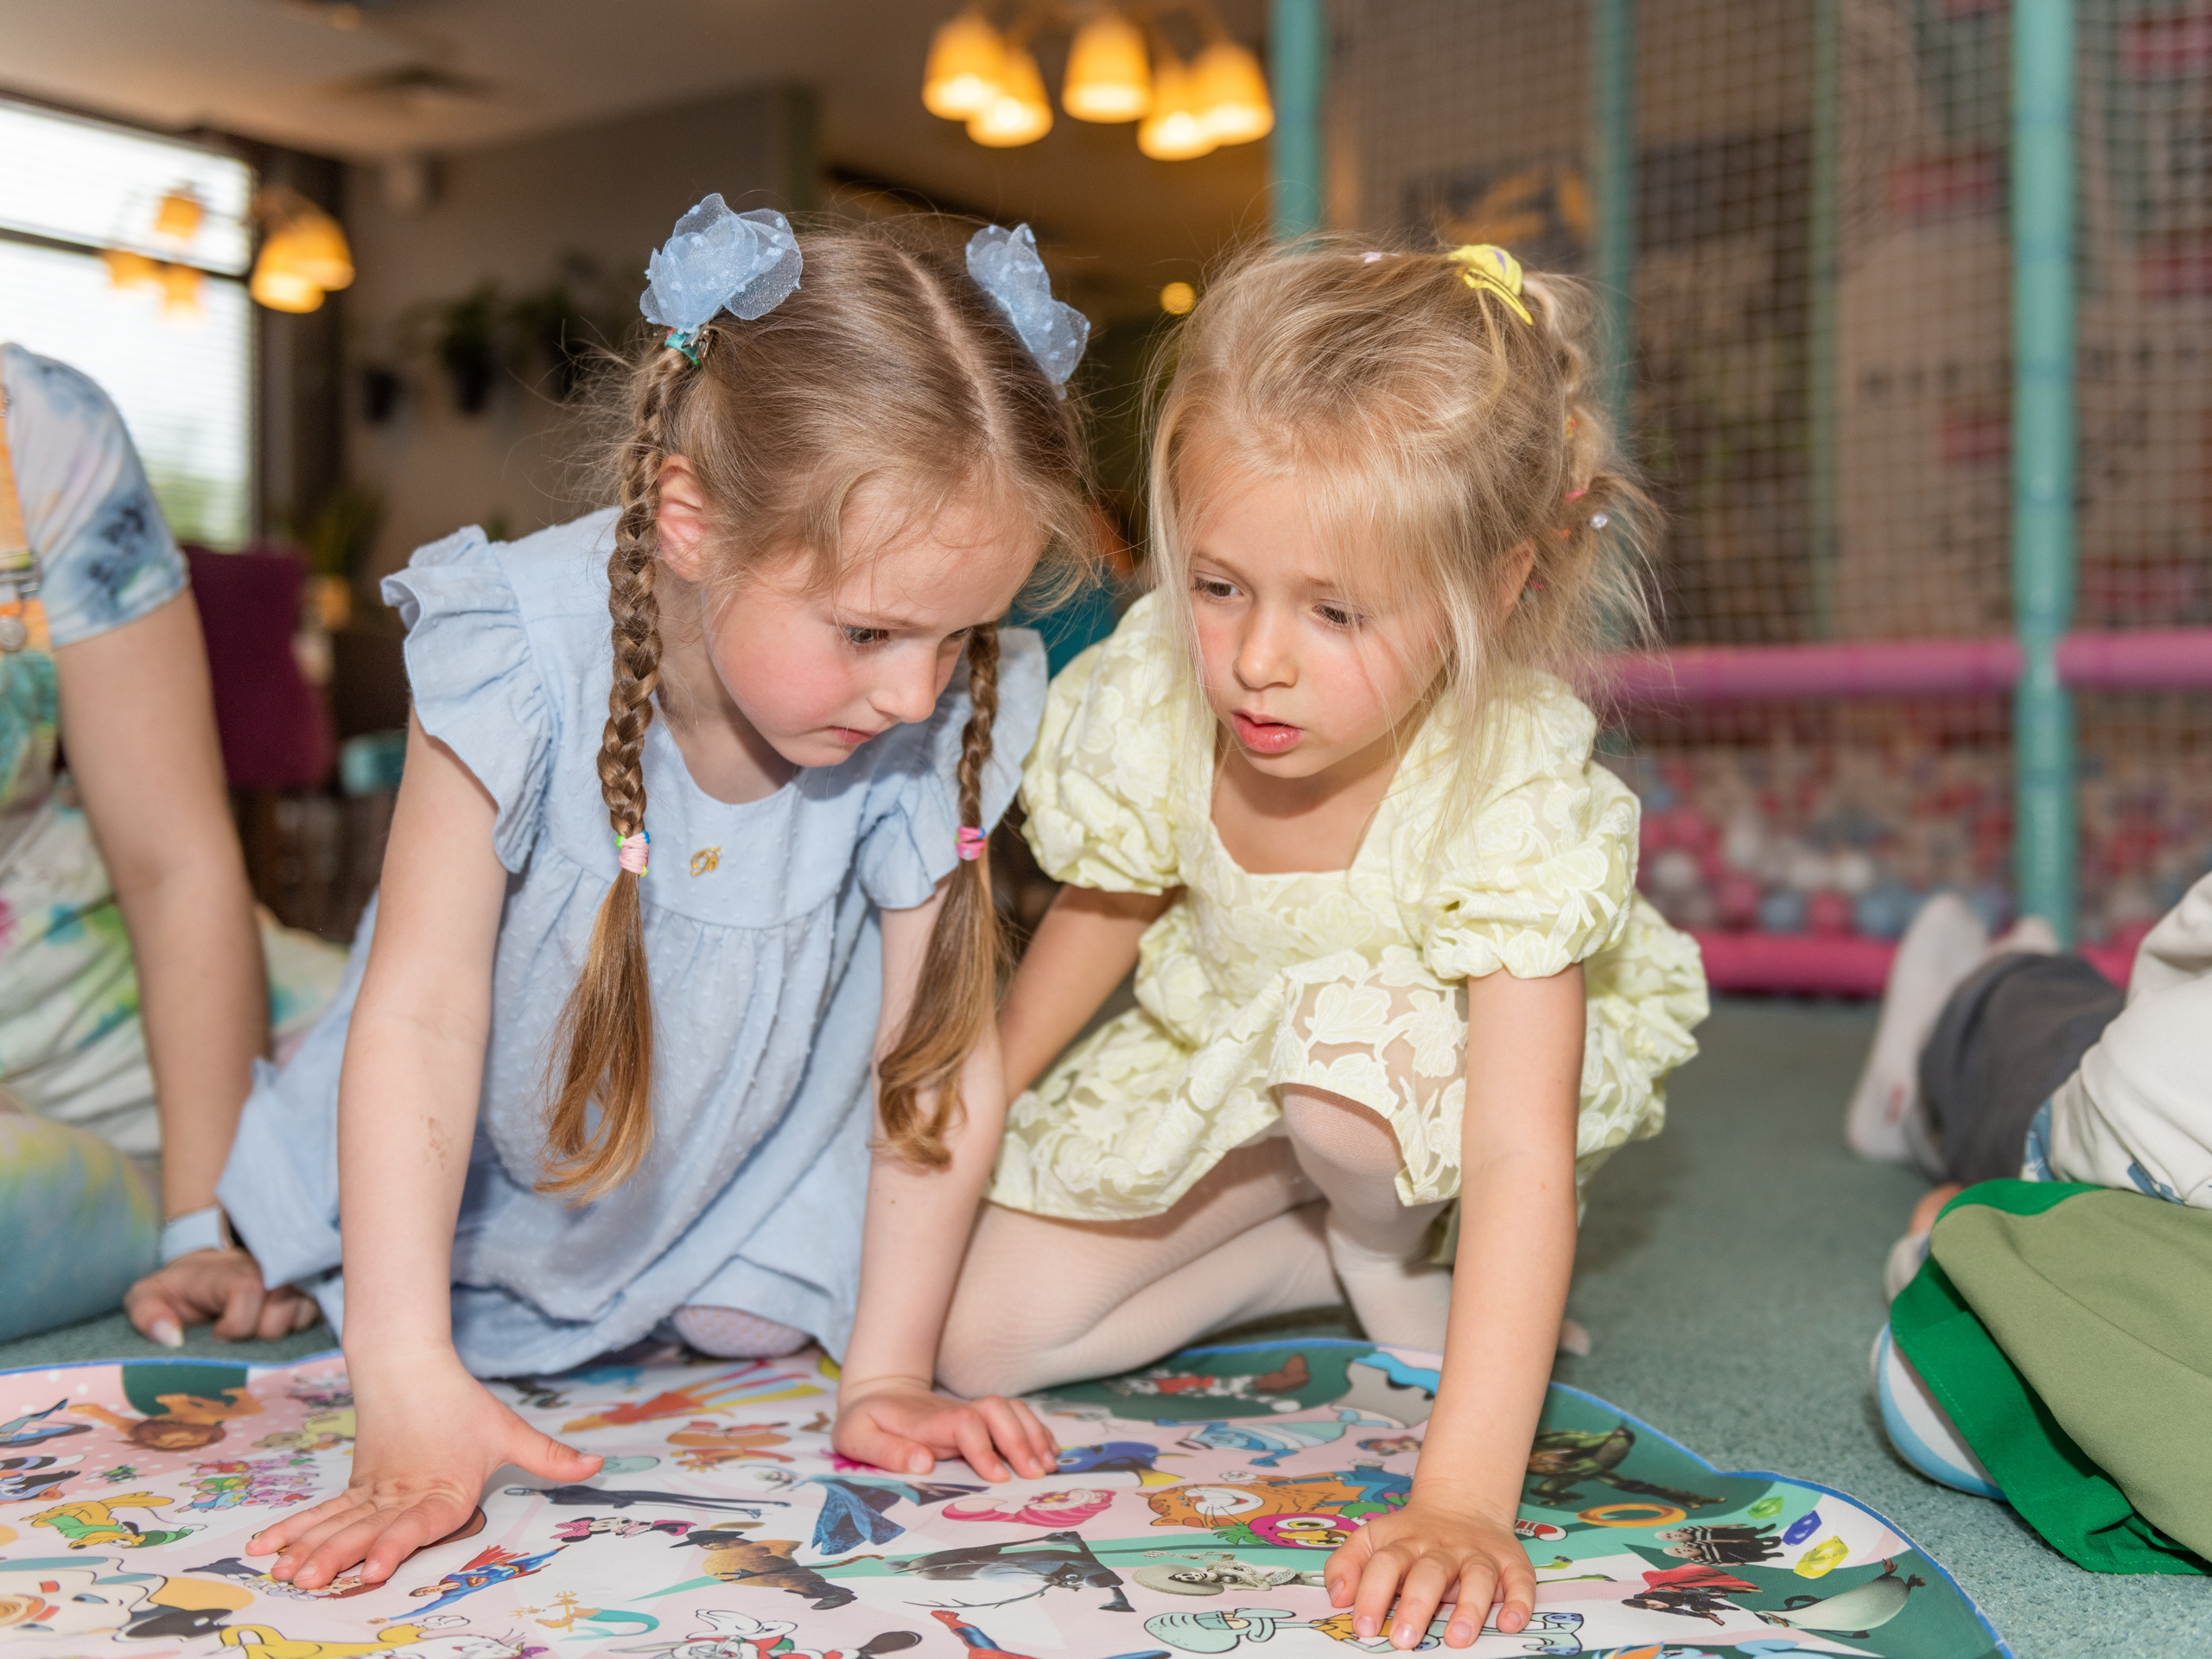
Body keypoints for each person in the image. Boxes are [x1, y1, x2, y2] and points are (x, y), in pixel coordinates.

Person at [230, 202, 1095, 1594]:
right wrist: (401, 1370)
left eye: (959, 636)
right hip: (475, 1146)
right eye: (871, 631)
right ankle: (275, 1237)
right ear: (691, 522)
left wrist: (886, 1374)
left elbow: (933, 1054)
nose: (914, 693)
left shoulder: (935, 704)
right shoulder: (519, 644)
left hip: (723, 1167)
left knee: (761, 1324)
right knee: (310, 1258)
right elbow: (423, 1013)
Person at [938, 239, 1710, 1647]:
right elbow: (1109, 904)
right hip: (1229, 1063)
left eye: (1336, 612)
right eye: (1219, 585)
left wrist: (1464, 1498)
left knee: (1341, 1068)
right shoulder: (1165, 690)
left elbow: (1518, 1148)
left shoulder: (1508, 783)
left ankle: (1394, 1245)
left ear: (1498, 586)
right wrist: (979, 1081)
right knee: (982, 1338)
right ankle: (1329, 1247)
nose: (1257, 662)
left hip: (1417, 1094)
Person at [0, 343, 345, 1347]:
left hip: (91, 975)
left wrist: (207, 1225)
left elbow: (173, 861)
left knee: (489, 1102)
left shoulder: (43, 428)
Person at [1851, 875, 2212, 1566]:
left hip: (2098, 1132)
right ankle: (1997, 985)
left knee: (2023, 1025)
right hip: (2120, 1107)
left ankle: (1930, 1067)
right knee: (2045, 1014)